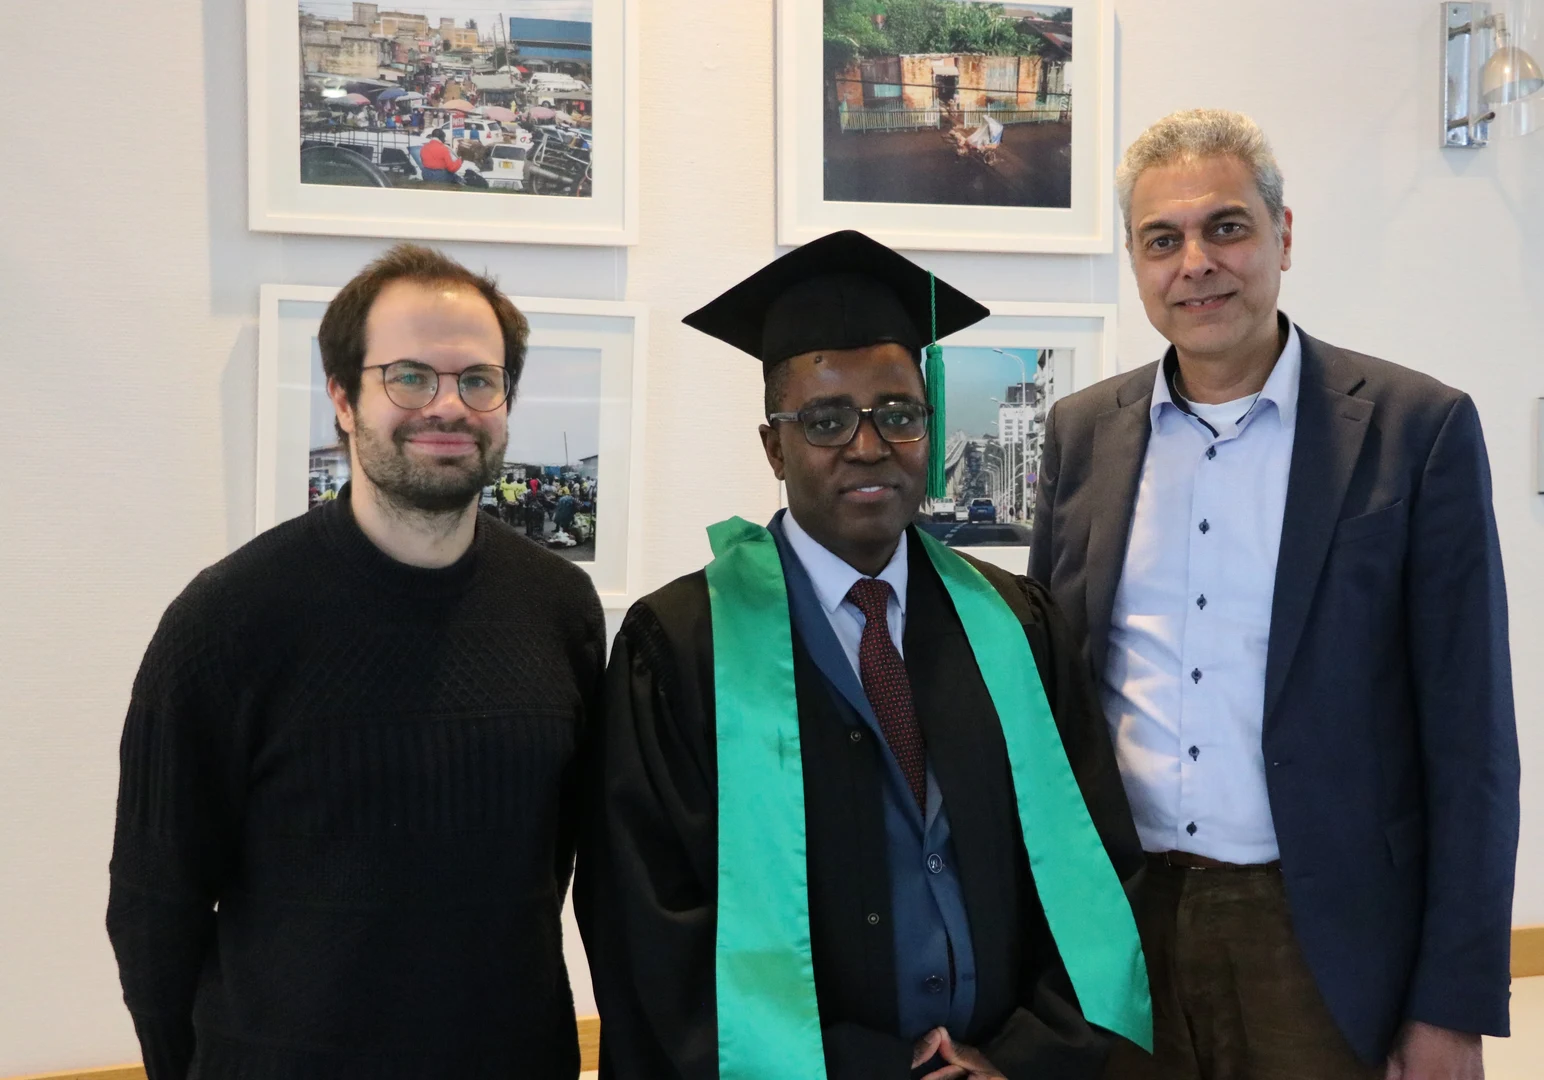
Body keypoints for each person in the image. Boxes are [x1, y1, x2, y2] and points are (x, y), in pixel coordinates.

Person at [578, 230, 1151, 1080]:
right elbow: (647, 919)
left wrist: (1028, 1058)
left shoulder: (1016, 626)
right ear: (773, 446)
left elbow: (1097, 872)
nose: (868, 443)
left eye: (899, 413)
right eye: (825, 420)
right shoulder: (681, 650)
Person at [1028, 109, 1519, 1080]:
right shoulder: (1082, 433)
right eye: (1160, 240)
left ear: (1281, 236)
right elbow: (1055, 694)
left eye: (1224, 227)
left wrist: (1448, 1006)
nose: (1194, 264)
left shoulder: (1413, 431)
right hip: (1126, 918)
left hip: (1322, 928)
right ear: (1134, 261)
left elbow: (1470, 745)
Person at [107, 243, 608, 1080]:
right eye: (409, 377)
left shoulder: (559, 608)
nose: (448, 405)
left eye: (477, 380)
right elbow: (156, 906)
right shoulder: (227, 620)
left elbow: (561, 865)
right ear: (342, 398)